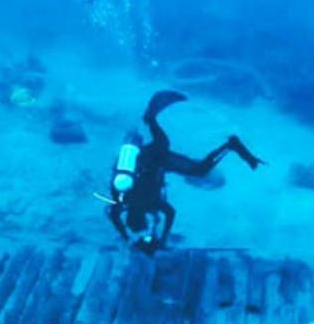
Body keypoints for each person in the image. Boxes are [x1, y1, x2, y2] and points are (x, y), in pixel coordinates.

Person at [105, 90, 264, 253]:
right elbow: (115, 216)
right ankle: (231, 145)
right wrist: (126, 235)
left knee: (193, 166)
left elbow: (170, 214)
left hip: (155, 160)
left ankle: (229, 145)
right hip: (155, 161)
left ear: (143, 217)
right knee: (194, 166)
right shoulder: (122, 201)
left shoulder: (148, 204)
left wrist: (160, 237)